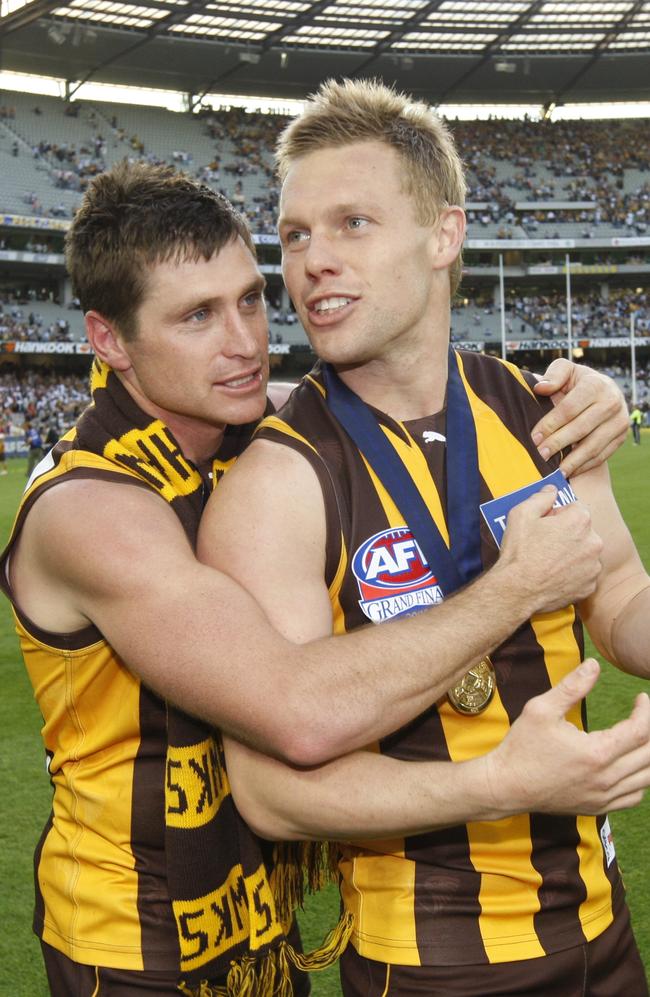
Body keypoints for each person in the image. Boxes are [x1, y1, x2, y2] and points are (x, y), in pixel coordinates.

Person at [0, 161, 634, 997]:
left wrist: (596, 394)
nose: (245, 341)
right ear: (109, 340)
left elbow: (397, 387)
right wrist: (516, 587)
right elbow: (298, 712)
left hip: (260, 913)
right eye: (196, 316)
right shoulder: (94, 513)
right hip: (139, 941)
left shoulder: (243, 418)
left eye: (250, 299)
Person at [200, 80, 650, 996]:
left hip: (604, 931)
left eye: (352, 223)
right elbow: (272, 792)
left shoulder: (547, 414)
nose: (313, 260)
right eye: (295, 236)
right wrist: (501, 780)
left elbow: (624, 606)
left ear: (444, 236)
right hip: (428, 961)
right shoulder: (275, 485)